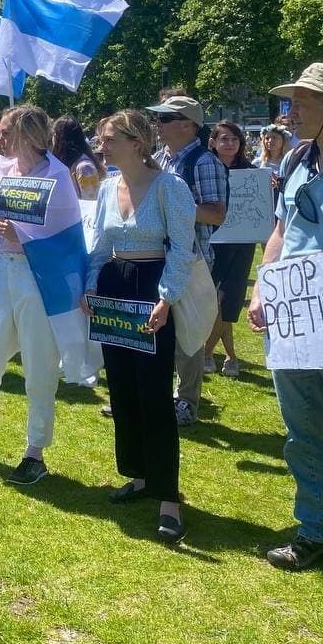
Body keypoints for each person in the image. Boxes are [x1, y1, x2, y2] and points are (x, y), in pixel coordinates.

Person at [247, 63, 323, 602]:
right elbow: (282, 229)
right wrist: (262, 285)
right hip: (296, 326)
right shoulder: (297, 158)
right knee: (302, 437)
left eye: (301, 102)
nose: (289, 112)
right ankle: (316, 532)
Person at [0, 105, 91, 486]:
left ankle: (34, 453)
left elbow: (67, 241)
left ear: (27, 133)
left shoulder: (58, 176)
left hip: (38, 283)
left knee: (39, 369)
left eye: (6, 131)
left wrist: (22, 237)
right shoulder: (3, 169)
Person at [84, 110, 197, 543]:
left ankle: (168, 496)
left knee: (154, 393)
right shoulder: (108, 186)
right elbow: (100, 244)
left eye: (109, 139)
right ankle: (138, 474)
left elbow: (182, 248)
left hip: (152, 289)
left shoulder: (170, 186)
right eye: (101, 138)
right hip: (114, 288)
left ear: (137, 143)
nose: (102, 147)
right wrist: (91, 286)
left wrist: (166, 299)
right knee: (122, 389)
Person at [145, 95, 227, 426]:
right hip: (156, 255)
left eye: (165, 119)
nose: (158, 124)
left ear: (188, 125)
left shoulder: (204, 162)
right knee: (156, 327)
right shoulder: (159, 158)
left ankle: (186, 402)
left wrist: (175, 208)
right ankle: (153, 394)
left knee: (188, 334)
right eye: (158, 118)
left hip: (193, 261)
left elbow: (216, 213)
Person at [204, 120, 254, 378]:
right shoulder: (206, 169)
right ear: (213, 142)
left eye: (234, 139)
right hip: (211, 240)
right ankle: (226, 356)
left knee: (230, 299)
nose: (230, 143)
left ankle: (210, 354)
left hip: (242, 242)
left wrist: (269, 186)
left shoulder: (251, 172)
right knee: (212, 300)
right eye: (224, 138)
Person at [52, 116, 105, 200]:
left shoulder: (85, 167)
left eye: (54, 135)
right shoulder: (63, 165)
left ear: (58, 138)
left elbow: (91, 202)